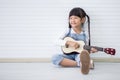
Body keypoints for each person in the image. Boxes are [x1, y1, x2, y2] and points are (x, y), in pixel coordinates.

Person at [52, 7, 98, 74]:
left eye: (75, 18)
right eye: (71, 18)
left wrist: (90, 50)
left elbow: (86, 48)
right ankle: (81, 64)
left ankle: (83, 63)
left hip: (79, 55)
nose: (73, 20)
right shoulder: (68, 30)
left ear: (82, 20)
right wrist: (68, 42)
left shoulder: (85, 33)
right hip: (68, 56)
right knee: (54, 58)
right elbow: (55, 41)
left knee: (82, 57)